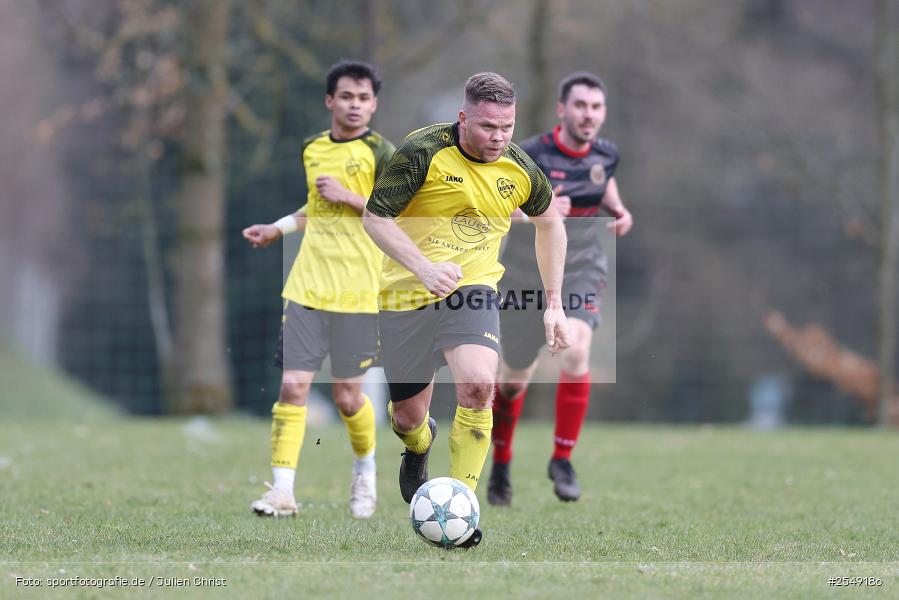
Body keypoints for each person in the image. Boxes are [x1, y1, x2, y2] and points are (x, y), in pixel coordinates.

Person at [363, 72, 569, 547]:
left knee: (478, 385)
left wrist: (554, 304)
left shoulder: (519, 168)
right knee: (406, 418)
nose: (498, 138)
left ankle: (462, 511)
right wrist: (423, 267)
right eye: (486, 127)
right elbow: (375, 217)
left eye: (507, 127)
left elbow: (551, 225)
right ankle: (418, 446)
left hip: (472, 289)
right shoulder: (422, 151)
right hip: (406, 293)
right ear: (463, 118)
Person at [242, 60, 395, 519]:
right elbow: (314, 208)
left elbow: (396, 214)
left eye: (364, 98)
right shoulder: (312, 148)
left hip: (358, 292)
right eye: (346, 96)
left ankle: (365, 471)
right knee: (293, 387)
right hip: (308, 285)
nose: (355, 105)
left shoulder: (382, 152)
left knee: (349, 397)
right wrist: (278, 228)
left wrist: (351, 197)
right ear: (330, 100)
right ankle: (282, 492)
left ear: (374, 105)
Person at [487, 71, 634, 506]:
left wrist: (619, 210)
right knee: (512, 383)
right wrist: (538, 212)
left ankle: (562, 459)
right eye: (581, 106)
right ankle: (500, 463)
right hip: (524, 276)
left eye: (596, 107)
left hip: (582, 270)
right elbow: (493, 204)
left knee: (575, 348)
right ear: (562, 110)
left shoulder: (607, 155)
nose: (589, 115)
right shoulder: (528, 153)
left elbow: (604, 184)